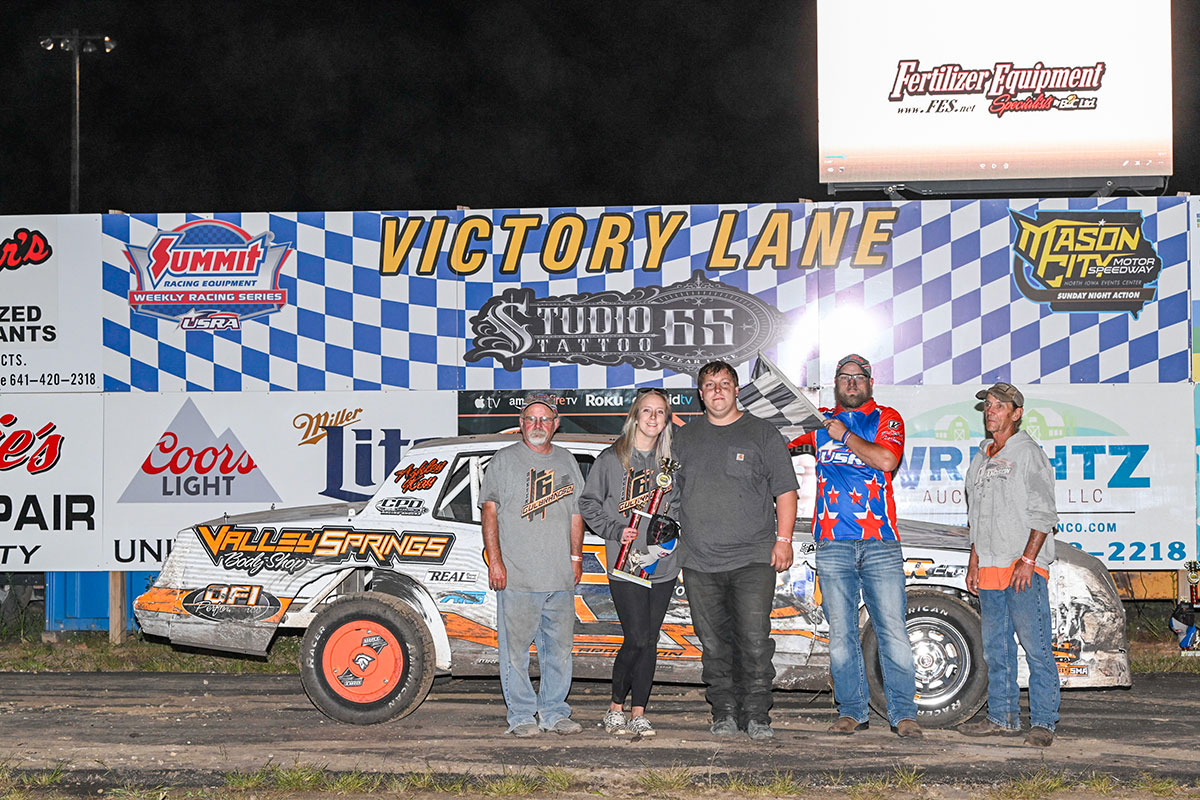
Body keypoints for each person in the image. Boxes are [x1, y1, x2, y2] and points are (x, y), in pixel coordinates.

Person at [789, 353, 922, 738]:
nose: (851, 383)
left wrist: (843, 436)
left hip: (879, 542)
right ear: (834, 383)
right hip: (832, 543)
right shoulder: (819, 423)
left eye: (857, 377)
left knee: (892, 631)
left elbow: (886, 458)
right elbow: (774, 440)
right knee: (841, 634)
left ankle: (904, 713)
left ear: (869, 382)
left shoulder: (887, 417)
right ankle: (852, 711)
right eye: (843, 377)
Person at [673, 360, 799, 741]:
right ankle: (724, 711)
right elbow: (666, 491)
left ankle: (758, 714)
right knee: (713, 644)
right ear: (700, 393)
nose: (717, 391)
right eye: (709, 385)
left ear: (736, 389)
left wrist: (784, 539)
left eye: (724, 383)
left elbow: (786, 490)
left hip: (753, 559)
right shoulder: (684, 437)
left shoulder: (761, 433)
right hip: (698, 560)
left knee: (755, 640)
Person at [957, 382, 1060, 747]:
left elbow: (1044, 513)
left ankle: (1044, 721)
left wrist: (1028, 560)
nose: (991, 411)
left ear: (1016, 413)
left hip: (1022, 566)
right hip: (989, 566)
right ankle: (1002, 717)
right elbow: (976, 517)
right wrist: (974, 562)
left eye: (1000, 406)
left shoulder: (1028, 453)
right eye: (988, 405)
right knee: (995, 649)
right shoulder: (981, 456)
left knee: (1036, 647)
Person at [479, 392, 585, 737]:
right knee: (516, 655)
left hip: (559, 577)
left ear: (556, 424)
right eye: (530, 419)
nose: (537, 425)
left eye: (544, 419)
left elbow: (575, 514)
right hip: (517, 577)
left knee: (560, 652)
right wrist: (495, 562)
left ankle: (554, 712)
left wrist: (575, 558)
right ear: (521, 424)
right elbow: (489, 512)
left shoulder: (567, 461)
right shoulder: (504, 460)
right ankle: (522, 716)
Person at [579, 388, 681, 737]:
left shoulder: (669, 463)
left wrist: (671, 532)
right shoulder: (611, 459)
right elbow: (588, 504)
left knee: (650, 639)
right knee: (635, 637)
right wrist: (615, 528)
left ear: (666, 420)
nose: (653, 418)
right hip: (626, 562)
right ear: (635, 416)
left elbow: (679, 506)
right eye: (647, 411)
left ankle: (639, 712)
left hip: (662, 564)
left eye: (660, 412)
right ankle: (614, 708)